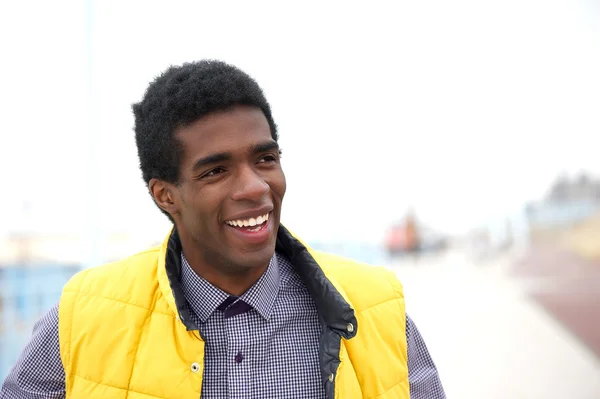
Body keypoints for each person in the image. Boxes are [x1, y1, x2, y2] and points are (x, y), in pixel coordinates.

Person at [0, 60, 445, 399]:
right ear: (165, 195)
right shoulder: (85, 317)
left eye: (265, 159)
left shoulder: (374, 309)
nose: (255, 187)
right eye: (216, 171)